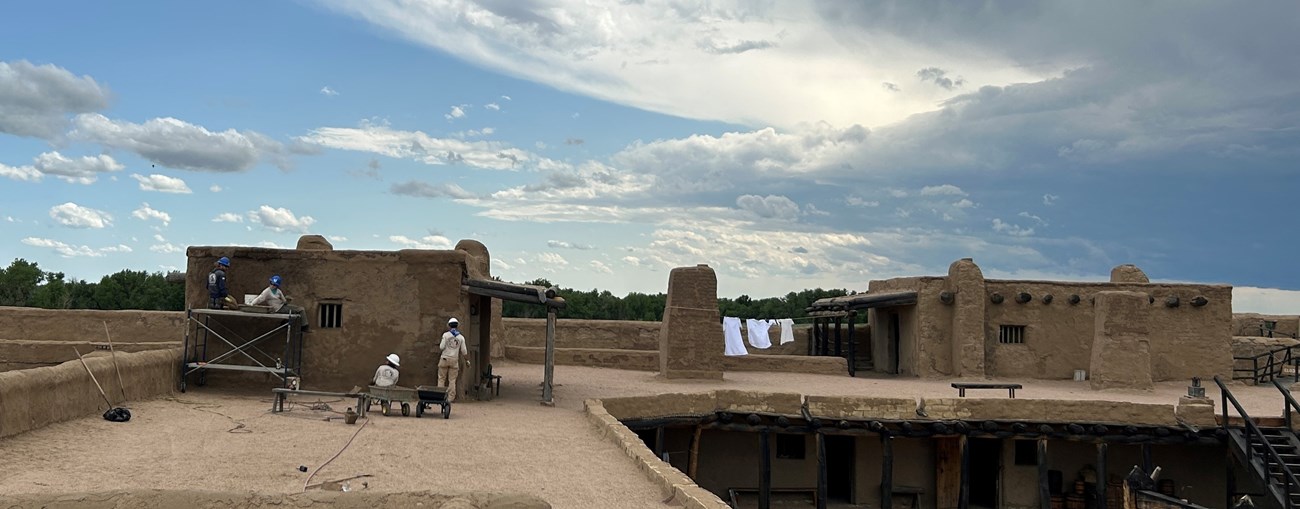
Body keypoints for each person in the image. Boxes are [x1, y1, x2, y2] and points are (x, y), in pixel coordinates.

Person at [438, 318, 468, 402]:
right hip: (454, 360)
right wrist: (467, 360)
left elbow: (441, 347)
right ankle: (450, 398)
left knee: (441, 378)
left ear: (449, 325)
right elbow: (464, 351)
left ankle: (440, 395)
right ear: (457, 326)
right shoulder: (461, 337)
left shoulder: (445, 335)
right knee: (452, 380)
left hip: (444, 358)